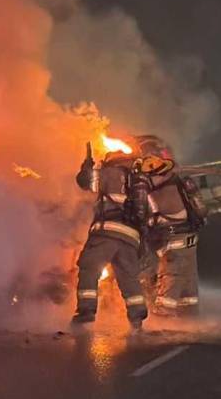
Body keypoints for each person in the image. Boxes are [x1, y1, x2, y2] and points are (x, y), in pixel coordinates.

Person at [71, 139, 150, 331]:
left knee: (90, 267)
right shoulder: (139, 182)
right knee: (128, 277)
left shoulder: (110, 173)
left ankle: (87, 311)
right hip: (131, 237)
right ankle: (137, 317)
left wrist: (87, 164)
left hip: (107, 231)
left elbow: (84, 181)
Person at [133, 135, 208, 317]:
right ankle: (189, 318)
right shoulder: (179, 179)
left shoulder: (150, 183)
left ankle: (164, 324)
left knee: (170, 280)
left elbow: (140, 210)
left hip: (173, 241)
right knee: (188, 285)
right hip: (189, 238)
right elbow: (201, 209)